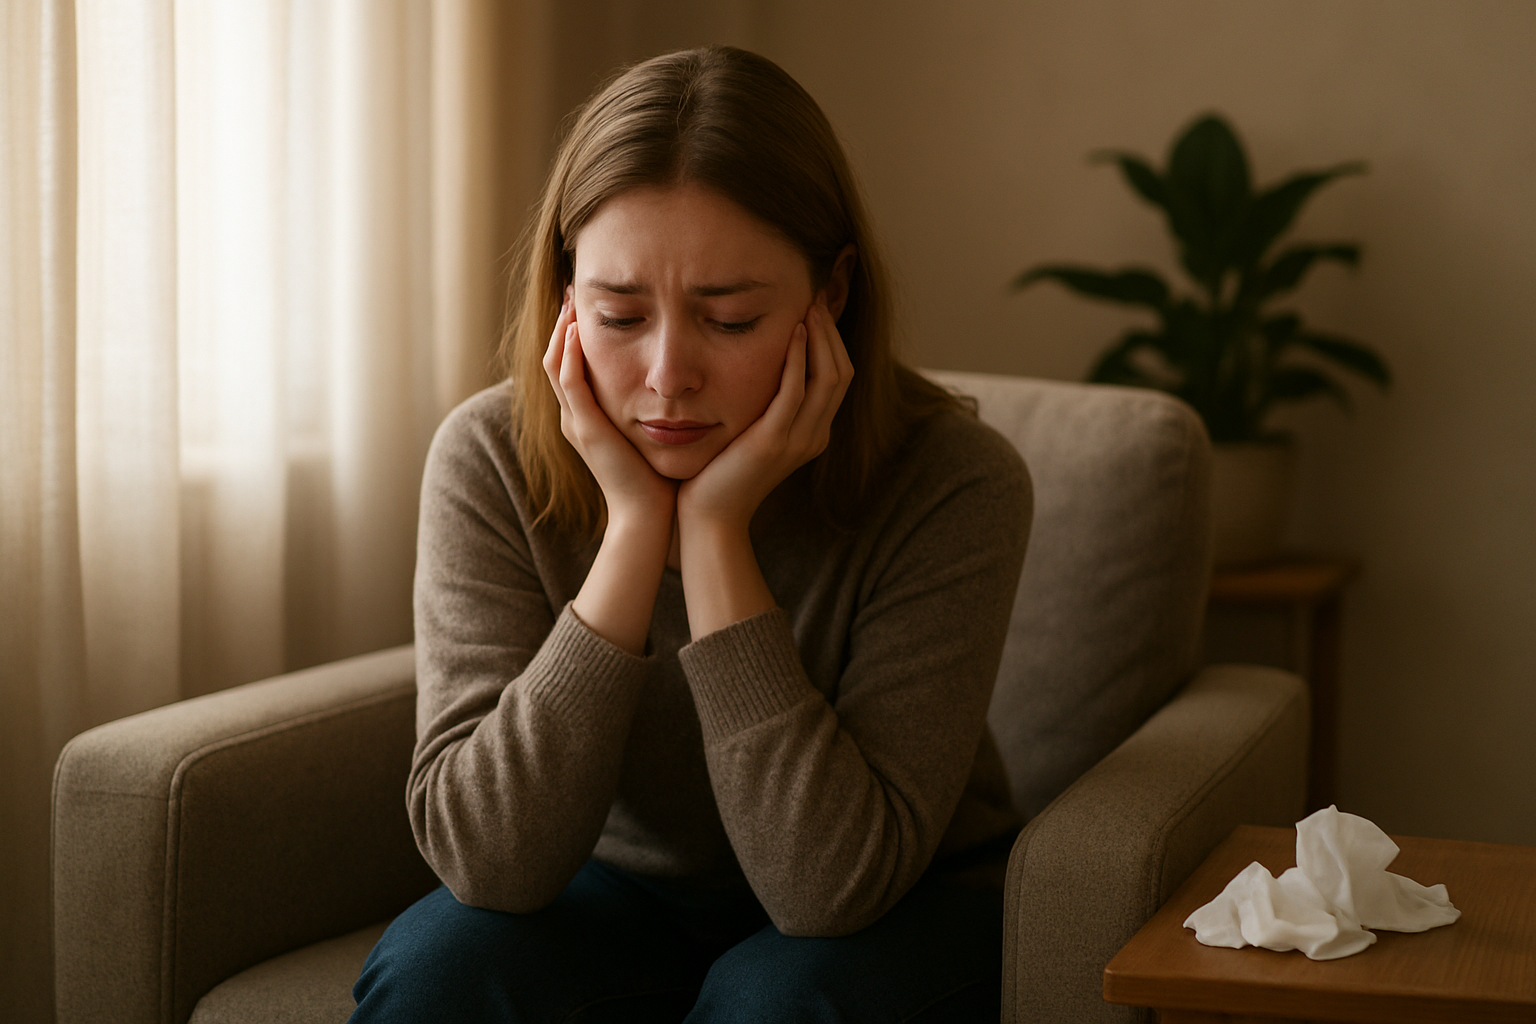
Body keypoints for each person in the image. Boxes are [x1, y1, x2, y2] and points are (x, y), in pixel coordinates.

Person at [350, 44, 1031, 1023]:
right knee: (434, 976)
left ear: (829, 296)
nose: (668, 375)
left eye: (731, 318)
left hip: (895, 897)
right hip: (624, 891)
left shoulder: (954, 482)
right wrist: (634, 530)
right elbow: (489, 861)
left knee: (772, 1002)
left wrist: (715, 533)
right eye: (620, 314)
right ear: (565, 295)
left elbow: (826, 888)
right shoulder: (487, 459)